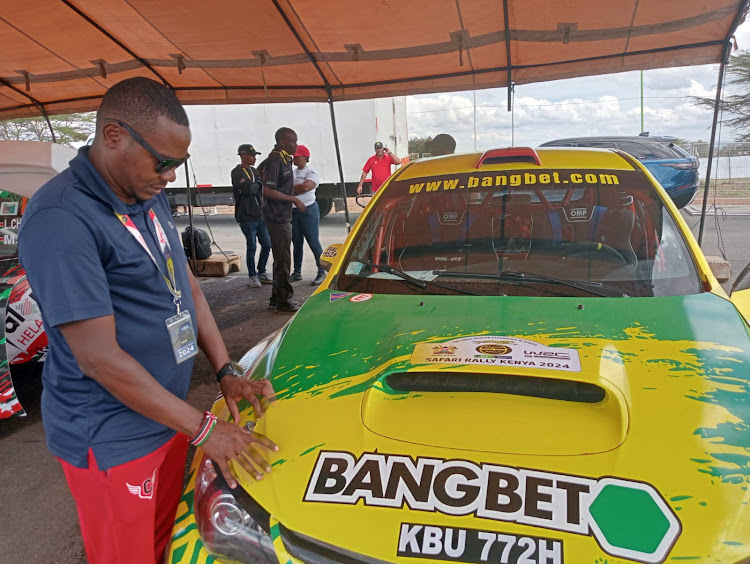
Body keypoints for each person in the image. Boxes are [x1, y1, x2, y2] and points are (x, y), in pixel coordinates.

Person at [18, 77, 277, 564]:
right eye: (163, 162)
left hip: (166, 415)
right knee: (125, 554)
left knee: (161, 544)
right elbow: (97, 358)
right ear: (113, 135)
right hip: (113, 432)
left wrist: (226, 372)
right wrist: (204, 431)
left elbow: (188, 286)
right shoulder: (61, 217)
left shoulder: (145, 191)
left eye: (178, 164)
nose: (170, 175)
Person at [261, 127, 306, 313]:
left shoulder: (284, 159)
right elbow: (267, 189)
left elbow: (261, 173)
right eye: (292, 141)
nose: (296, 145)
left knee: (281, 258)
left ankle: (276, 298)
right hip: (277, 217)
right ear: (282, 142)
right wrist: (294, 199)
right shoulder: (275, 159)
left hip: (283, 215)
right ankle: (283, 301)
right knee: (283, 259)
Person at [231, 144, 273, 288]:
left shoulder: (254, 171)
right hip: (246, 216)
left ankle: (262, 271)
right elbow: (249, 189)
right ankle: (252, 275)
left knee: (267, 244)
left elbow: (260, 186)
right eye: (252, 155)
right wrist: (257, 186)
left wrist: (257, 186)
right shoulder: (237, 172)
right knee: (252, 246)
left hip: (259, 215)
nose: (255, 158)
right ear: (243, 156)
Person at [290, 145, 326, 286]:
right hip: (293, 211)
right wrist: (296, 189)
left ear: (305, 157)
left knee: (313, 242)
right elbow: (298, 188)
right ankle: (297, 272)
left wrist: (290, 189)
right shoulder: (292, 172)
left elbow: (305, 187)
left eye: (297, 156)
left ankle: (321, 272)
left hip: (309, 210)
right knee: (296, 242)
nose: (294, 159)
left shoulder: (311, 172)